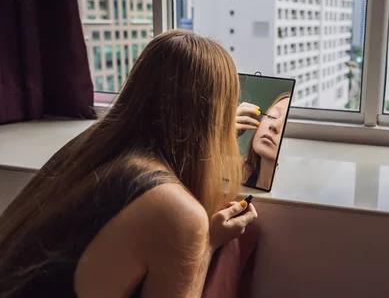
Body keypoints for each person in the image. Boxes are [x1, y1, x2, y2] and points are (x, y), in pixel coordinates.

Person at [0, 30, 258, 298]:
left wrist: (214, 135)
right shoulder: (176, 210)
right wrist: (209, 243)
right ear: (215, 114)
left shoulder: (88, 149)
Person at [238, 94, 291, 190]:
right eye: (272, 116)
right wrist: (223, 138)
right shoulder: (234, 170)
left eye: (287, 124)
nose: (274, 126)